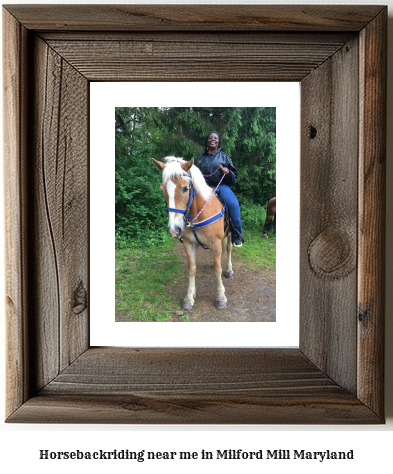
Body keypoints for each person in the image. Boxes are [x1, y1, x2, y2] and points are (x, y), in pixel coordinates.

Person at [194, 131, 244, 247]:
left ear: (218, 141)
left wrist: (228, 172)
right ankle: (185, 232)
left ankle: (237, 234)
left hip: (220, 186)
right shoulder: (200, 159)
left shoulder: (224, 157)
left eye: (215, 138)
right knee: (188, 200)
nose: (212, 139)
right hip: (203, 187)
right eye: (210, 138)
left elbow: (234, 177)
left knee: (234, 204)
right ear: (206, 141)